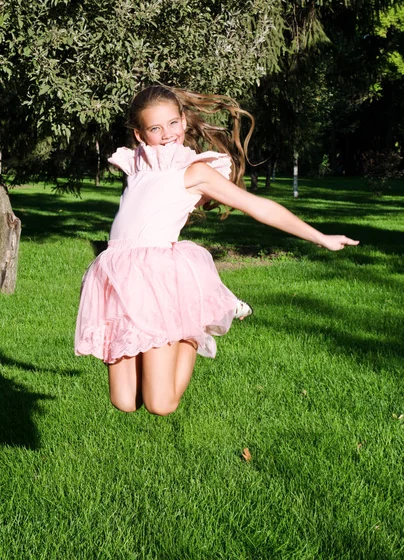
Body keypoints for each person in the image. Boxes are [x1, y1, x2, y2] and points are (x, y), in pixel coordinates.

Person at [75, 85, 359, 416]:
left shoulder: (194, 171)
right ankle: (192, 316)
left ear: (183, 121)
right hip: (120, 280)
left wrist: (320, 237)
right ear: (140, 135)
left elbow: (258, 207)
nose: (167, 135)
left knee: (160, 404)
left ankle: (191, 327)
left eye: (172, 123)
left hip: (160, 282)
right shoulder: (138, 165)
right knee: (123, 401)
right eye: (155, 128)